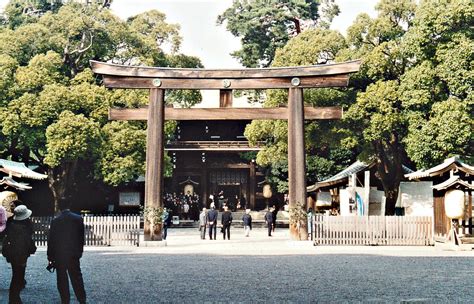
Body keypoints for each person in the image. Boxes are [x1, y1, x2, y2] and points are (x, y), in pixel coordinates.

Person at [47, 198, 86, 304]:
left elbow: (51, 240)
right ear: (70, 204)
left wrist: (50, 257)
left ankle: (65, 300)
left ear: (59, 207)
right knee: (77, 277)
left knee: (61, 278)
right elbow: (81, 237)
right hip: (73, 253)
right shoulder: (78, 219)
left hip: (60, 253)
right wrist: (80, 252)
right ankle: (82, 299)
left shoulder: (56, 221)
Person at [2, 204, 36, 304]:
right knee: (18, 276)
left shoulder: (12, 225)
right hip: (21, 254)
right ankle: (14, 298)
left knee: (16, 274)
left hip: (13, 254)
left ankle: (14, 298)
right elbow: (28, 242)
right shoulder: (24, 228)